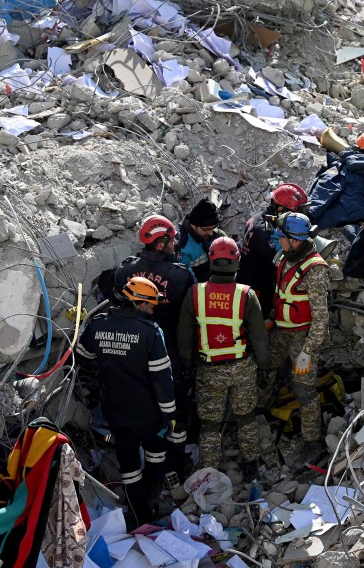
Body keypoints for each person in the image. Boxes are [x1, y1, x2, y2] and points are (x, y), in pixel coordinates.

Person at [77, 277, 176, 526]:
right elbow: (162, 380)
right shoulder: (151, 333)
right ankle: (152, 493)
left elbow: (81, 358)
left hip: (115, 411)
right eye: (151, 305)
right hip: (148, 412)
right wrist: (170, 414)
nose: (153, 310)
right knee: (156, 452)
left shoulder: (97, 327)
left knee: (128, 463)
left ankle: (139, 512)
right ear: (140, 304)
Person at [177, 237, 270, 480]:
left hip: (209, 369)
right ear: (237, 261)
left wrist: (188, 363)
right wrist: (265, 367)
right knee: (246, 417)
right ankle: (250, 465)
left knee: (210, 423)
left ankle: (210, 472)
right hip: (242, 367)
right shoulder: (246, 295)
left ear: (211, 260)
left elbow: (184, 335)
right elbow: (259, 338)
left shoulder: (195, 294)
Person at [115, 216, 194, 463]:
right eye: (171, 241)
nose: (175, 245)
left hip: (132, 356)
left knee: (143, 408)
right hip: (170, 353)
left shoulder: (125, 270)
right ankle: (176, 460)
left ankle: (150, 457)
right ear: (160, 244)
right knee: (176, 409)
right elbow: (192, 317)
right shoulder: (181, 275)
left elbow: (119, 303)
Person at [268, 212, 330, 459]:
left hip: (303, 337)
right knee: (267, 367)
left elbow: (321, 318)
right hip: (282, 330)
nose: (278, 240)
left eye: (281, 237)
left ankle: (313, 442)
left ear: (294, 240)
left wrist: (308, 351)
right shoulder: (284, 256)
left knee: (304, 390)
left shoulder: (314, 270)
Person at [238, 182, 307, 316]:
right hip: (256, 286)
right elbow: (283, 260)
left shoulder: (262, 216)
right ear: (281, 210)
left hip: (258, 278)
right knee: (259, 321)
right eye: (294, 214)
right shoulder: (264, 231)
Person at [176, 199, 227, 284]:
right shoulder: (180, 243)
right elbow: (185, 280)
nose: (211, 233)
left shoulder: (217, 235)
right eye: (206, 229)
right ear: (194, 225)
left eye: (213, 228)